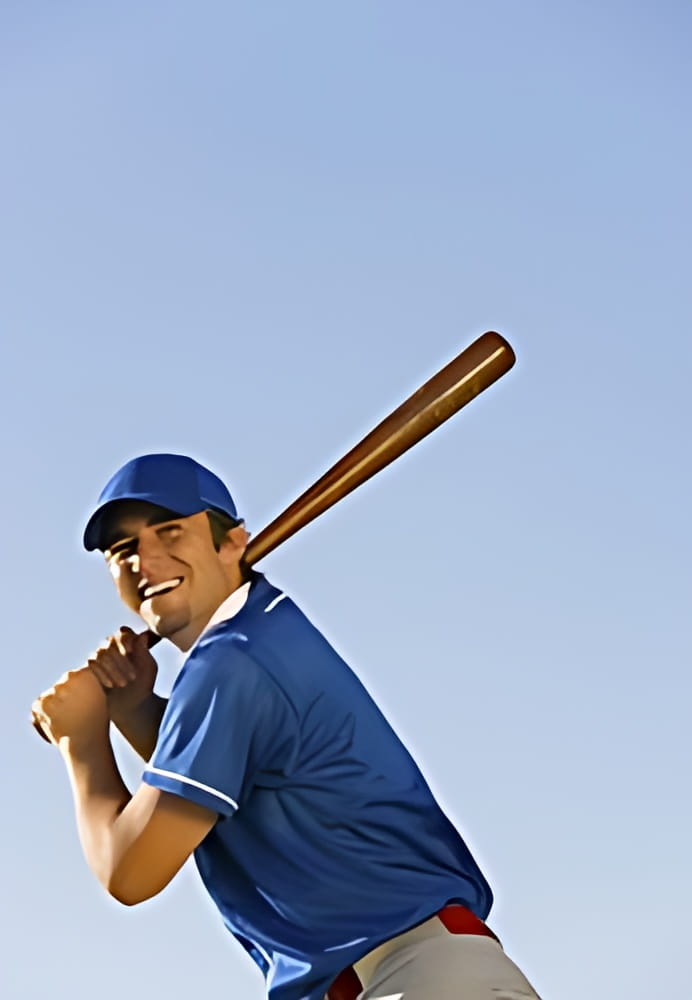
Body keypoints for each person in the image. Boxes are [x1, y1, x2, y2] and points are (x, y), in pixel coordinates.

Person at [32, 453, 541, 1000]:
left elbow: (132, 871)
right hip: (402, 973)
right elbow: (223, 789)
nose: (146, 561)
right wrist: (133, 708)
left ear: (232, 542)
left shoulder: (232, 662)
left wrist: (81, 739)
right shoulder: (253, 634)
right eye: (123, 549)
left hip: (417, 973)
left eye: (171, 531)